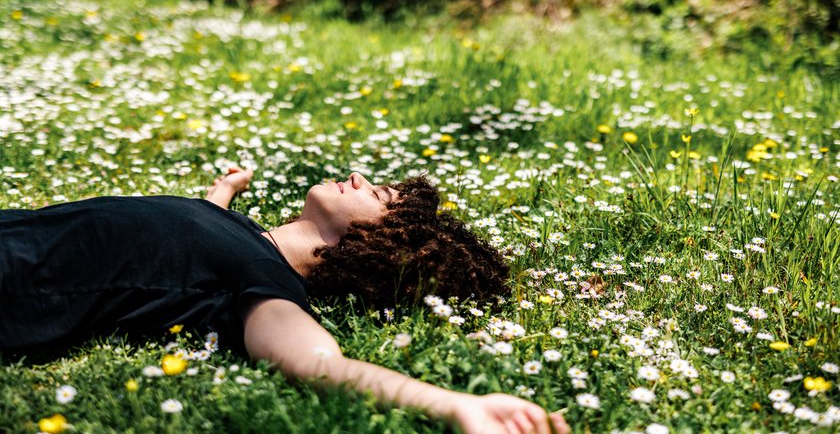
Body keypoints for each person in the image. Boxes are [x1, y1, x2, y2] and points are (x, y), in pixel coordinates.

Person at [0, 167, 569, 434]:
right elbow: (193, 235)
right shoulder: (245, 238)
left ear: (383, 244)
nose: (357, 175)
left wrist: (456, 405)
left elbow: (317, 362)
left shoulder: (263, 281)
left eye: (376, 194)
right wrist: (222, 194)